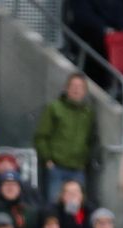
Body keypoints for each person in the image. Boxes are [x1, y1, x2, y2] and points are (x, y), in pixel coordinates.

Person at [34, 73, 97, 204]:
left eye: (80, 87)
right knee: (54, 204)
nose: (76, 89)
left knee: (77, 207)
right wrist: (48, 160)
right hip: (56, 168)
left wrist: (85, 159)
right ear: (66, 88)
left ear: (85, 91)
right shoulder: (54, 108)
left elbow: (92, 139)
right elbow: (41, 136)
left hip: (78, 169)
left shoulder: (88, 113)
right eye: (73, 86)